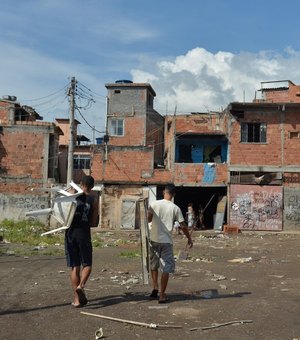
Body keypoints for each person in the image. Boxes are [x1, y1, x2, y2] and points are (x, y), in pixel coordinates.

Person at [147, 184, 193, 303]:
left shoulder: (154, 204)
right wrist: (189, 238)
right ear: (173, 195)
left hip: (153, 240)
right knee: (166, 268)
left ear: (164, 192)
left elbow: (148, 219)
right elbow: (182, 225)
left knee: (153, 264)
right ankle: (162, 295)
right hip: (166, 241)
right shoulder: (175, 208)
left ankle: (155, 287)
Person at [65, 175, 98, 308]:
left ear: (80, 183)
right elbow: (94, 221)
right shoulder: (93, 199)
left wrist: (70, 192)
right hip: (84, 233)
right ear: (92, 187)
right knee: (87, 264)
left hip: (70, 232)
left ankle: (77, 300)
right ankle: (81, 285)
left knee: (75, 266)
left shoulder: (72, 196)